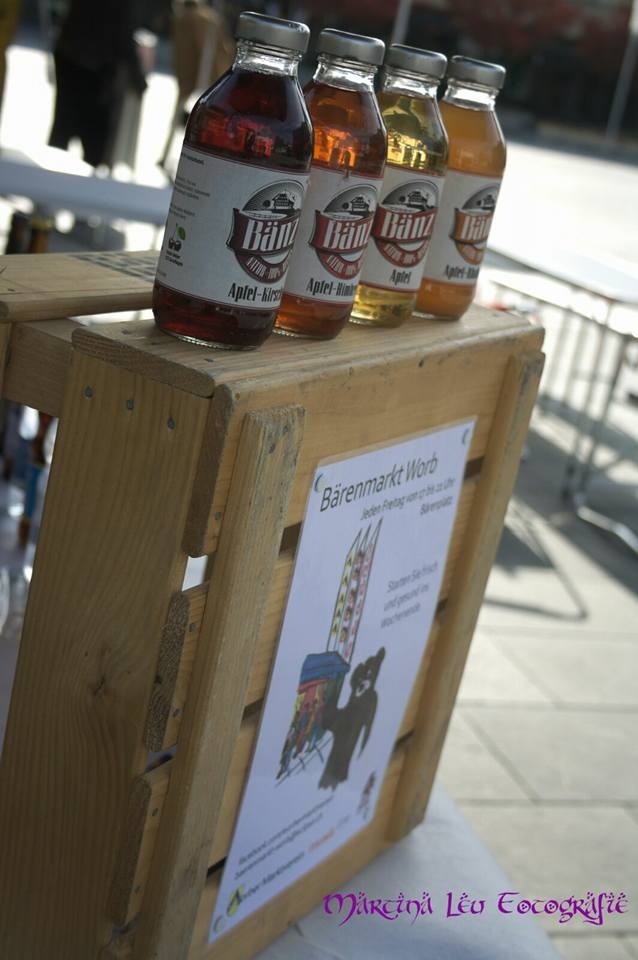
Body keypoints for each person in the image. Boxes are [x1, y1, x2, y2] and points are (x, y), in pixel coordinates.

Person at [48, 0, 147, 169]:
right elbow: (123, 32)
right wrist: (138, 77)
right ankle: (86, 176)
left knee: (64, 124)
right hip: (95, 66)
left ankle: (52, 172)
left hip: (71, 54)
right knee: (93, 136)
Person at [158, 0, 234, 169]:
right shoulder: (208, 18)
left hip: (186, 73)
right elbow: (215, 50)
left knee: (178, 116)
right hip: (208, 76)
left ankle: (166, 154)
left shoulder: (180, 17)